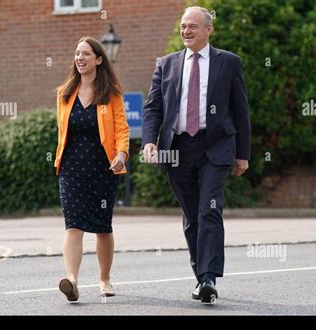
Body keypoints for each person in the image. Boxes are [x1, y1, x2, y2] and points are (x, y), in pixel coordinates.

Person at [142, 6, 251, 304]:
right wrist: (149, 142)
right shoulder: (166, 64)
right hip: (177, 150)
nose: (186, 31)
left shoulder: (228, 63)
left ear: (208, 30)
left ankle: (209, 279)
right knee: (192, 216)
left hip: (215, 148)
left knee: (209, 210)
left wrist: (243, 153)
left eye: (192, 26)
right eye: (182, 26)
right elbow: (153, 108)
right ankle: (200, 275)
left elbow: (240, 111)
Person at [54, 37, 130, 303]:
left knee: (102, 227)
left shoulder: (111, 94)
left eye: (85, 54)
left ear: (99, 59)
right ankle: (72, 281)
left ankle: (104, 278)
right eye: (77, 54)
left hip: (103, 168)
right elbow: (63, 133)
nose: (80, 58)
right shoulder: (64, 93)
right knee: (73, 224)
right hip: (71, 168)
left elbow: (122, 128)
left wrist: (122, 153)